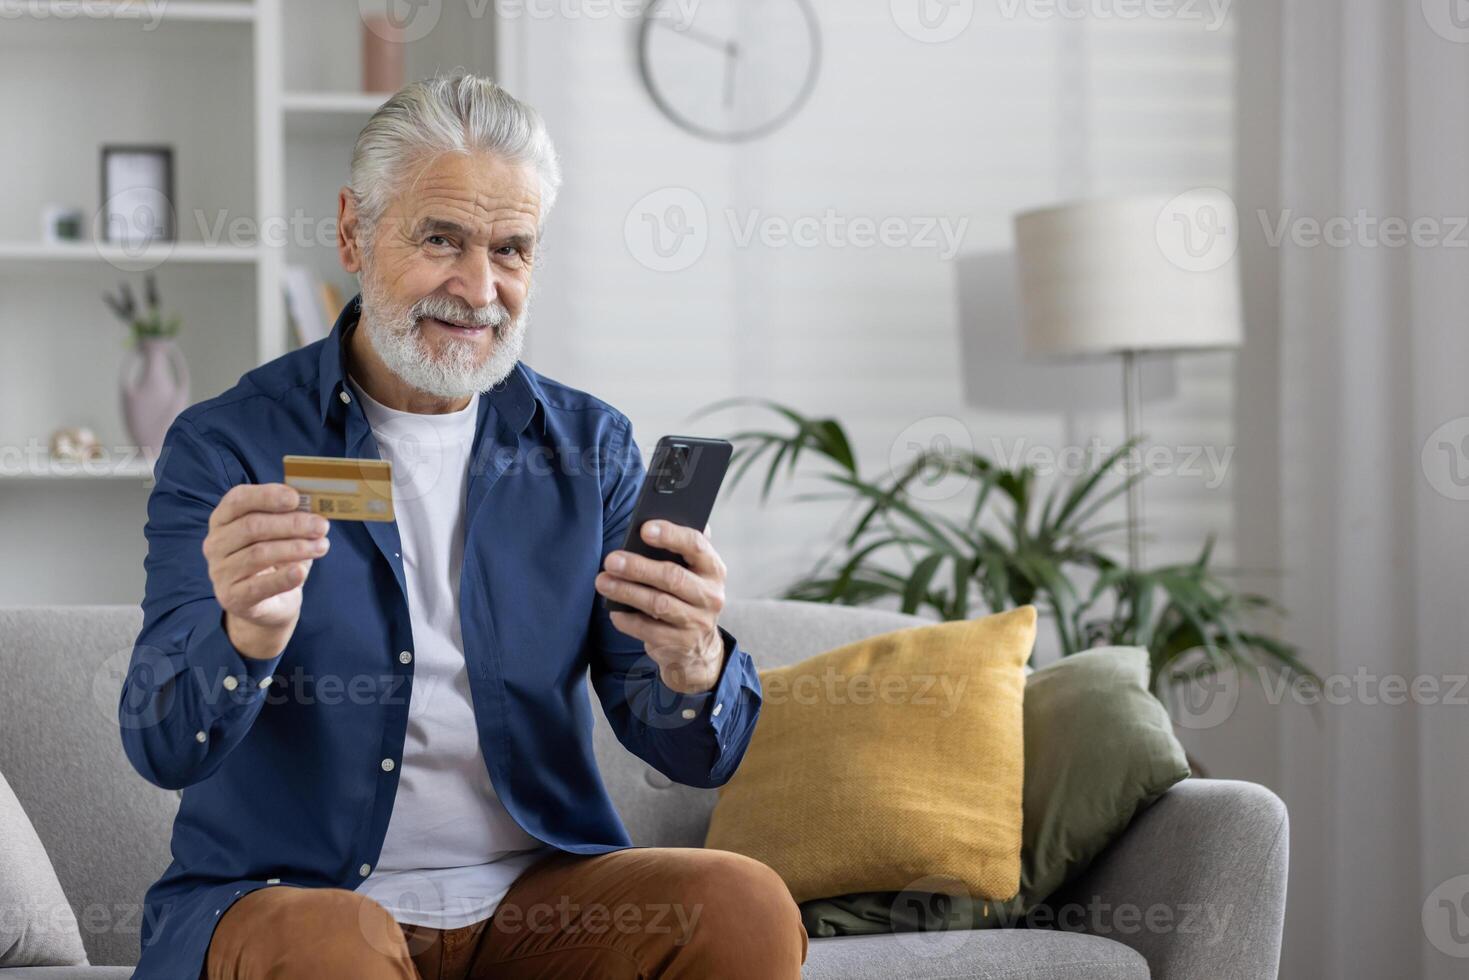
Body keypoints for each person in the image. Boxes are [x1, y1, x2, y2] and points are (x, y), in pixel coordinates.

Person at [118, 73, 807, 980]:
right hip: (302, 901)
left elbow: (691, 752)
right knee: (337, 947)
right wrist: (242, 637)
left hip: (535, 902)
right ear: (354, 230)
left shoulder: (590, 449)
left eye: (511, 249)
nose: (478, 288)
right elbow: (161, 740)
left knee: (743, 902)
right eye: (441, 238)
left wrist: (694, 666)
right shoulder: (227, 445)